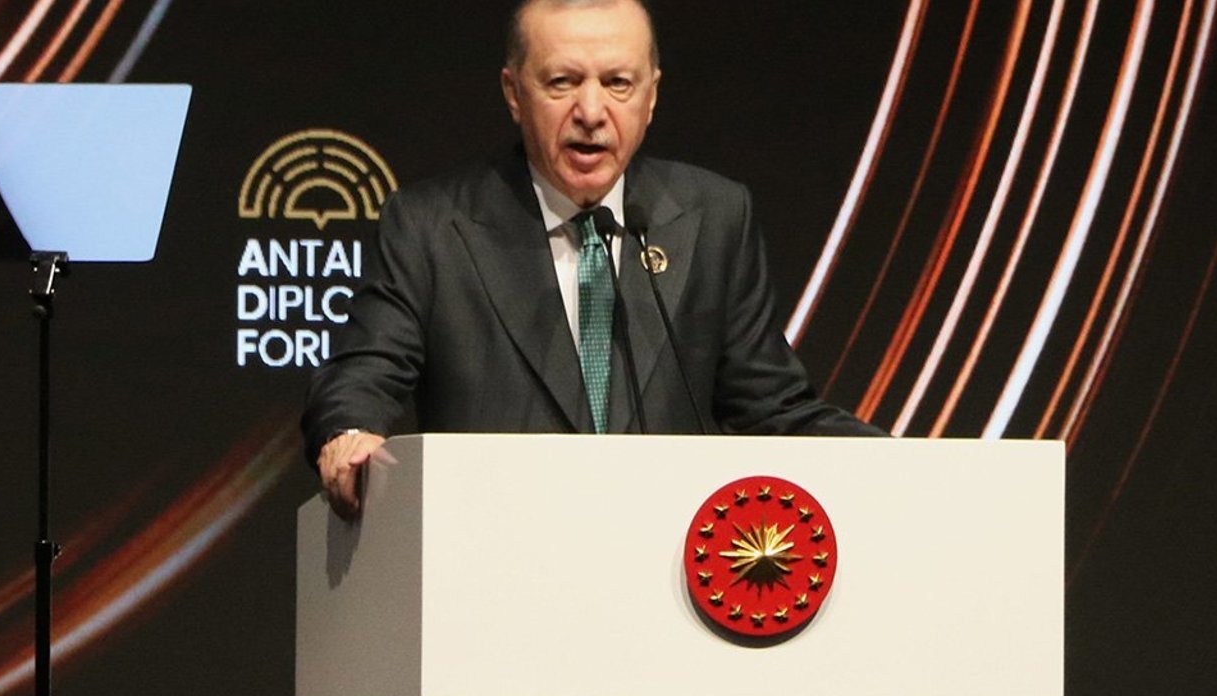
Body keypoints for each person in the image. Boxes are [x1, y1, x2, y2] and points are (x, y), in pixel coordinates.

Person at [303, 0, 884, 519]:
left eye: (617, 83)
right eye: (562, 82)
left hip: (666, 565)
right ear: (514, 93)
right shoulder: (432, 226)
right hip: (495, 555)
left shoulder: (713, 217)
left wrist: (903, 463)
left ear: (651, 95)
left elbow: (772, 407)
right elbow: (365, 370)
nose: (591, 110)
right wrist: (349, 433)